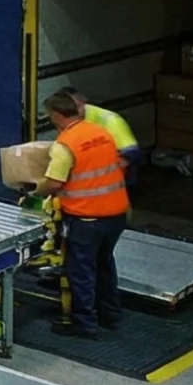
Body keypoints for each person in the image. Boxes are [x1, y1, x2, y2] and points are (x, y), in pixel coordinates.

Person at [39, 91, 130, 338]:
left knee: (81, 272)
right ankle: (111, 316)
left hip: (87, 218)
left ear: (57, 115)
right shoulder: (99, 132)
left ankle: (85, 324)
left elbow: (53, 183)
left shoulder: (65, 145)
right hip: (117, 214)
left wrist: (35, 191)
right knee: (104, 264)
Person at [53, 86, 144, 187]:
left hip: (116, 183)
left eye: (76, 108)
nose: (71, 113)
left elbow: (132, 153)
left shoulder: (112, 121)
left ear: (83, 101)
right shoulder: (69, 120)